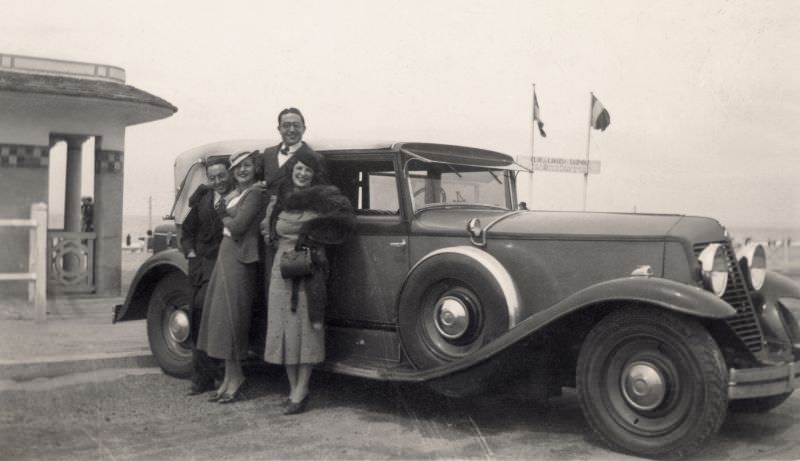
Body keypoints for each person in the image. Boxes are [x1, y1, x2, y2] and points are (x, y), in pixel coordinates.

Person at [263, 149, 355, 414]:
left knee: (306, 327)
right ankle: (294, 388)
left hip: (310, 266)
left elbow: (344, 223)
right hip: (282, 268)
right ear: (292, 169)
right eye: (299, 169)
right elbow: (268, 228)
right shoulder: (281, 197)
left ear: (315, 174)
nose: (302, 174)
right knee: (284, 328)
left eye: (308, 170)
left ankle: (302, 388)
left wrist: (312, 233)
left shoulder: (325, 198)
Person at [197, 150, 266, 404]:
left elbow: (237, 227)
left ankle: (236, 379)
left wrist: (223, 213)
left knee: (233, 318)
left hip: (240, 258)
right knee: (223, 319)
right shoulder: (238, 194)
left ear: (254, 168)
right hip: (227, 256)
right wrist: (228, 214)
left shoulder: (256, 194)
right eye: (237, 167)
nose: (242, 171)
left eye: (247, 166)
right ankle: (230, 377)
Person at [180, 158, 233, 396]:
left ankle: (222, 376)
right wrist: (191, 253)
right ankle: (201, 378)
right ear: (208, 179)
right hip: (203, 266)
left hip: (226, 264)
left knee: (222, 320)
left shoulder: (238, 196)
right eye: (213, 178)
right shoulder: (202, 199)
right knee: (199, 314)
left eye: (221, 176)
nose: (218, 181)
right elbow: (188, 230)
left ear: (228, 175)